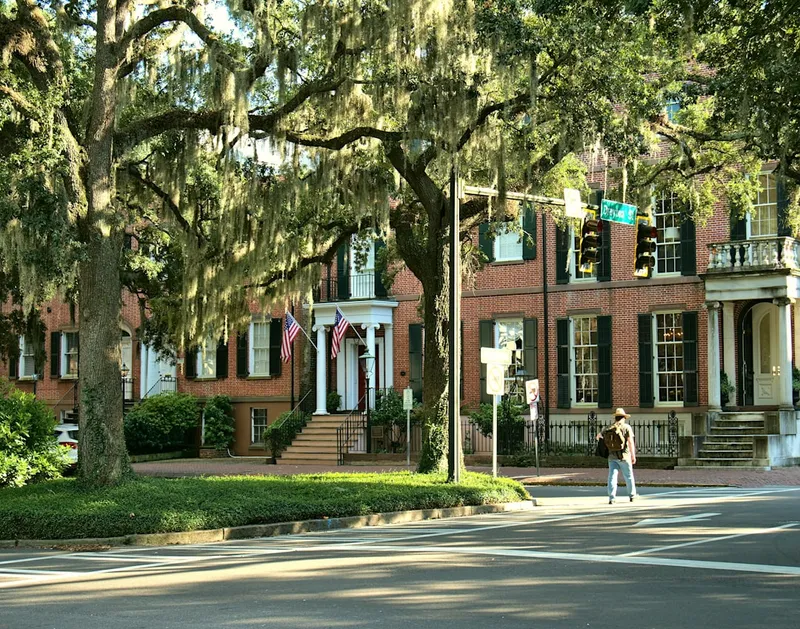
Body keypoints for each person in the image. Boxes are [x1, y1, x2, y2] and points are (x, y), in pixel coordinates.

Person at [597, 408, 637, 504]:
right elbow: (630, 442)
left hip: (612, 456)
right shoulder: (626, 427)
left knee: (612, 477)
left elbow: (598, 436)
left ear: (615, 417)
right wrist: (633, 455)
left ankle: (612, 497)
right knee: (629, 476)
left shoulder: (608, 428)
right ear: (624, 417)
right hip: (625, 456)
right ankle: (632, 496)